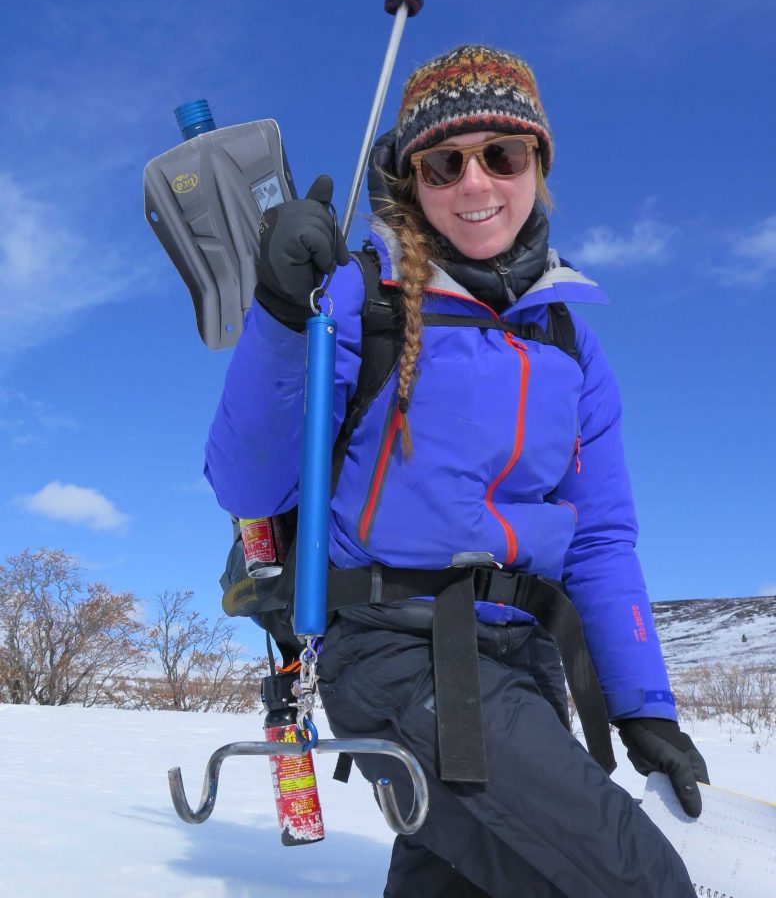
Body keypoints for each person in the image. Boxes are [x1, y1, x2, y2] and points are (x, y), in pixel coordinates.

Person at [205, 45, 708, 898]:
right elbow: (248, 484)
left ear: (537, 165)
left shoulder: (568, 341)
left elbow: (601, 538)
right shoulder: (358, 301)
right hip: (395, 650)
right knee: (632, 878)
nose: (476, 185)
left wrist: (643, 705)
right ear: (412, 178)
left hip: (526, 655)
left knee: (458, 879)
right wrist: (284, 314)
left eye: (502, 155)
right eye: (446, 162)